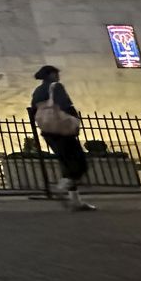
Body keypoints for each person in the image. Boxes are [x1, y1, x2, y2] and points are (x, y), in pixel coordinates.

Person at [31, 65, 95, 212]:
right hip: (62, 129)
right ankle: (62, 186)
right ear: (52, 74)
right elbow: (65, 105)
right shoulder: (56, 86)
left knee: (66, 163)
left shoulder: (37, 91)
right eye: (56, 73)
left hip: (48, 131)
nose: (58, 76)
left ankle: (75, 201)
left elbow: (33, 110)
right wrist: (74, 120)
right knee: (80, 163)